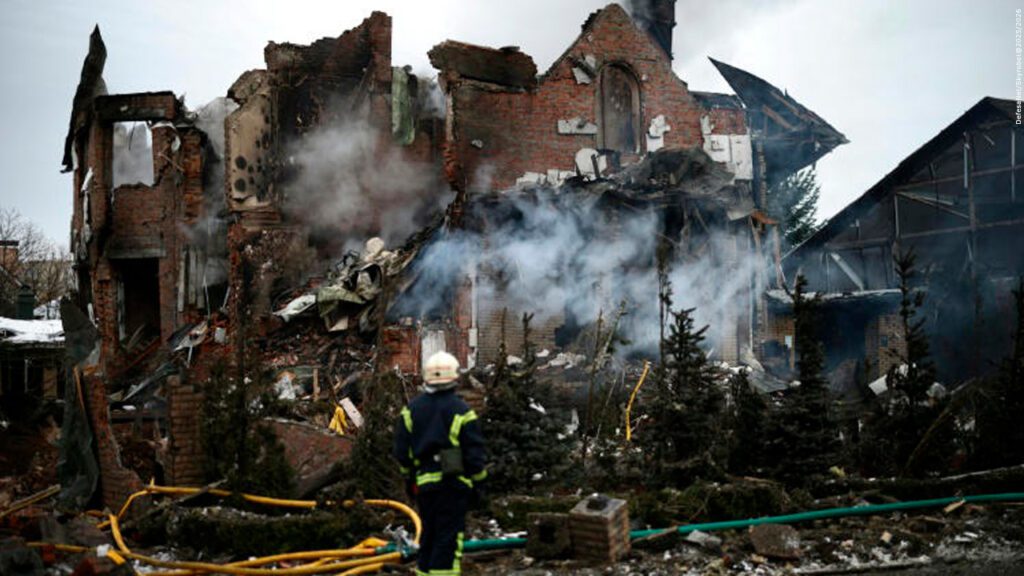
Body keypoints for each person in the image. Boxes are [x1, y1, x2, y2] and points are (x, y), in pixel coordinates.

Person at [394, 351, 486, 576]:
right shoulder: (462, 412)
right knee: (448, 543)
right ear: (455, 378)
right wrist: (479, 486)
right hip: (454, 485)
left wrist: (409, 479)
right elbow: (474, 455)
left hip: (424, 486)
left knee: (429, 537)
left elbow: (401, 452)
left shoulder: (411, 411)